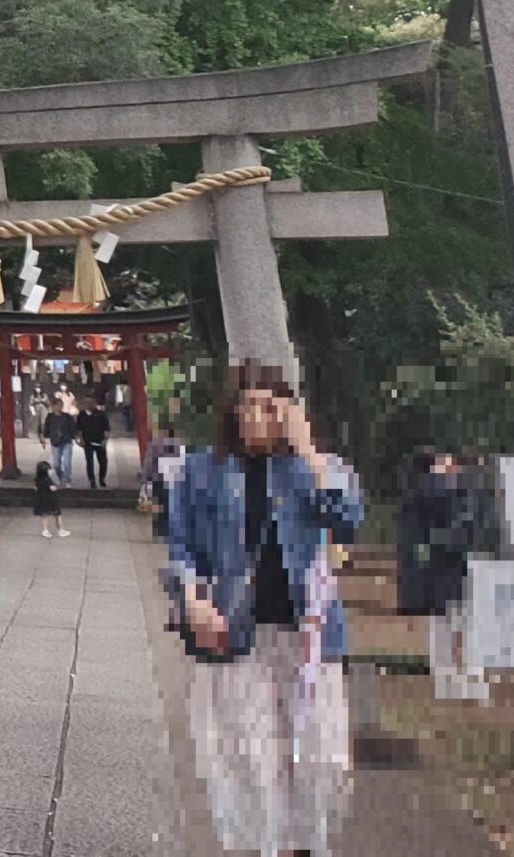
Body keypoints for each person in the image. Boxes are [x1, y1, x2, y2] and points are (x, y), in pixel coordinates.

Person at [163, 362, 364, 855]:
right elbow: (180, 544)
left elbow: (348, 522)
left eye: (270, 405)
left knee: (314, 756)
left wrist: (308, 450)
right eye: (247, 404)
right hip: (238, 634)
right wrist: (192, 599)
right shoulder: (200, 470)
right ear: (231, 411)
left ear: (289, 411)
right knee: (254, 756)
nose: (257, 415)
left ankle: (305, 846)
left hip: (308, 635)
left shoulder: (317, 466)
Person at [397, 448, 494, 701]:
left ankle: (450, 683)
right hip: (455, 565)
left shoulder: (421, 494)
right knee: (465, 625)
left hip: (442, 568)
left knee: (445, 626)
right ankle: (470, 681)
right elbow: (463, 528)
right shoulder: (445, 491)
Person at [42, 393, 78, 487]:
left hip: (66, 441)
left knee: (67, 462)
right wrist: (44, 437)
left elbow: (73, 428)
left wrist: (76, 437)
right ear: (53, 406)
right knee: (56, 464)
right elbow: (46, 429)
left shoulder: (67, 417)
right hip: (55, 442)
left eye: (61, 405)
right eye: (57, 405)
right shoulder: (50, 417)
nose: (59, 407)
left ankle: (67, 480)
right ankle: (61, 476)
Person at [80, 397, 111, 489]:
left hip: (99, 441)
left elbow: (106, 428)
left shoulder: (101, 414)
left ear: (95, 403)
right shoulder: (82, 414)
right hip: (87, 442)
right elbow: (78, 429)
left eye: (91, 402)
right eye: (86, 402)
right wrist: (80, 439)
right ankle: (92, 480)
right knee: (89, 461)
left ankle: (102, 478)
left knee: (103, 461)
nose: (88, 404)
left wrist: (105, 440)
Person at [34, 459, 67, 538]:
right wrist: (57, 486)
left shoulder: (38, 479)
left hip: (41, 499)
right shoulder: (48, 480)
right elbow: (53, 488)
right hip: (51, 499)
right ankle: (60, 530)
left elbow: (35, 488)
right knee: (58, 515)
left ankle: (45, 530)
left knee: (44, 515)